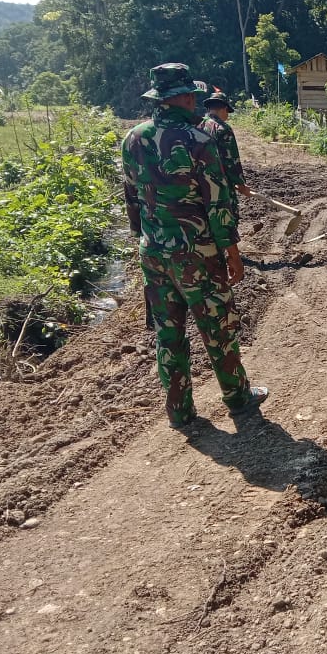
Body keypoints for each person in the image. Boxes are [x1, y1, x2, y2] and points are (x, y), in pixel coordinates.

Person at [121, 62, 267, 429]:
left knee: (168, 335)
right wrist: (232, 253)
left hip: (153, 252)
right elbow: (217, 205)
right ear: (183, 98)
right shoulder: (199, 141)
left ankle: (179, 411)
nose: (194, 102)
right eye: (191, 96)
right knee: (218, 329)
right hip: (196, 254)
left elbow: (131, 198)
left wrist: (144, 238)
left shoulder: (133, 138)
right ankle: (237, 398)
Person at [198, 87, 251, 222]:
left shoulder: (196, 126)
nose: (227, 115)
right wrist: (240, 184)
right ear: (223, 109)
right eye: (228, 111)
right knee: (228, 219)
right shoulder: (223, 129)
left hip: (199, 183)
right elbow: (231, 160)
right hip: (220, 184)